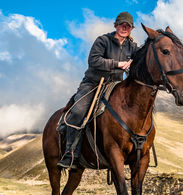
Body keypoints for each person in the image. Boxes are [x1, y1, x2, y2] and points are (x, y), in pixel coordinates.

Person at [57, 11, 138, 169]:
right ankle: (70, 153)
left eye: (127, 26)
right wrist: (118, 64)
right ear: (116, 25)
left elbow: (139, 61)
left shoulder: (132, 47)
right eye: (122, 24)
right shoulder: (103, 40)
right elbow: (94, 60)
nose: (124, 28)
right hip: (93, 83)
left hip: (115, 86)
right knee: (79, 111)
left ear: (131, 28)